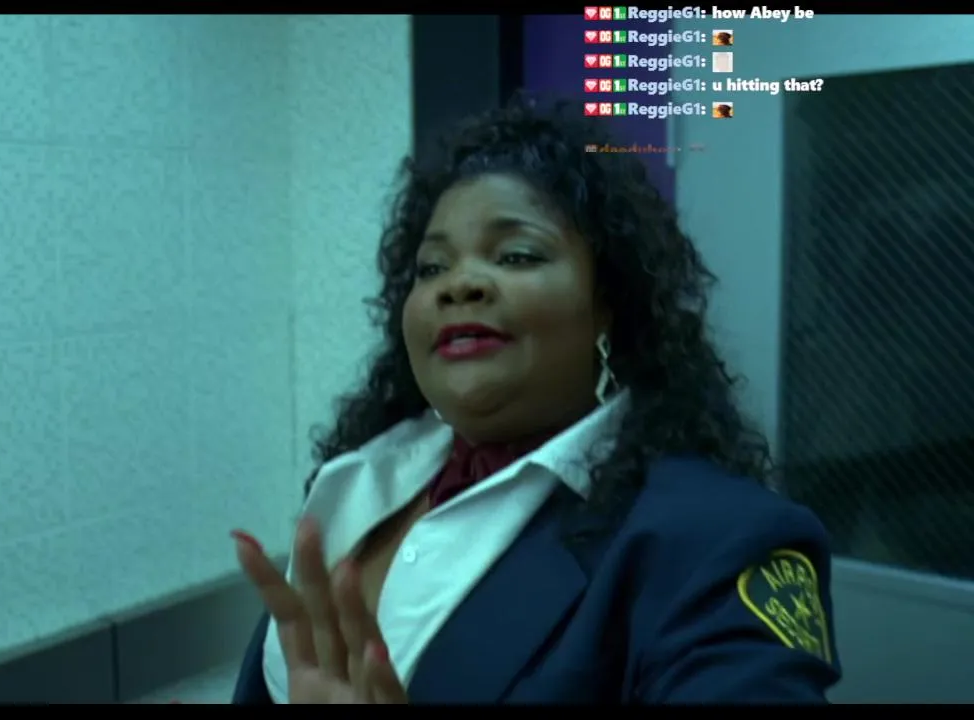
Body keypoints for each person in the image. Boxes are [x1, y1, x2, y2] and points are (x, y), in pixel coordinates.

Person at [229, 95, 841, 704]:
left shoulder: (720, 537)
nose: (459, 284)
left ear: (608, 303)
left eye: (516, 255)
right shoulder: (358, 484)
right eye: (432, 267)